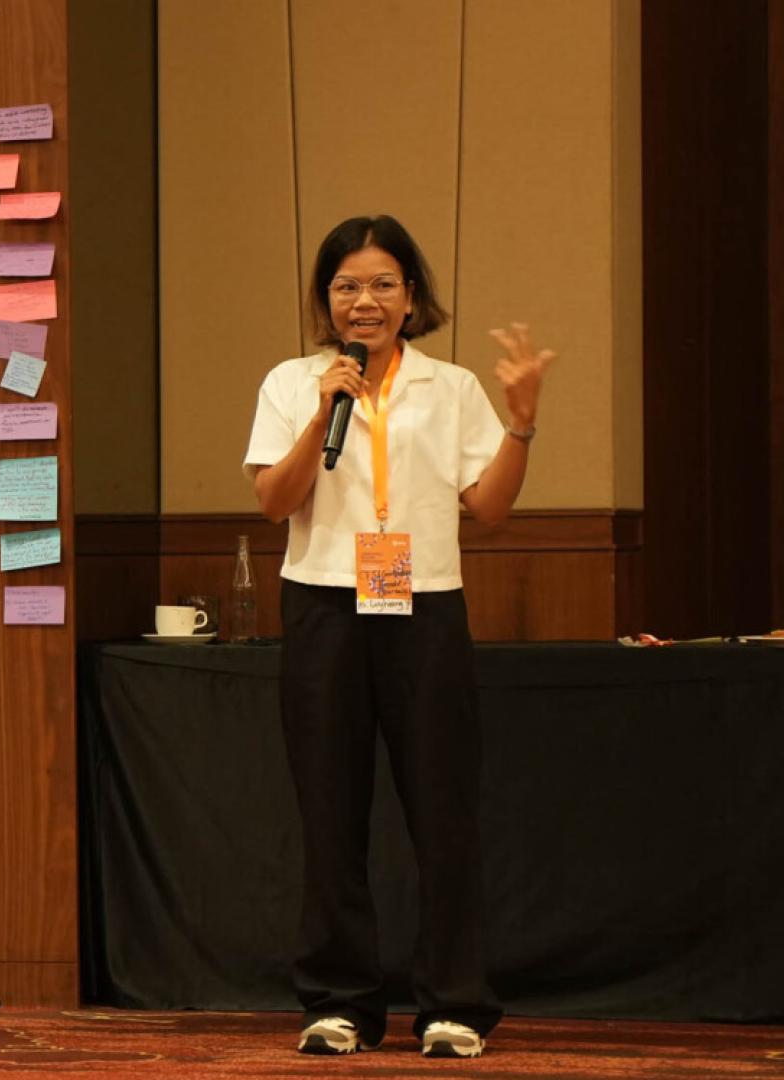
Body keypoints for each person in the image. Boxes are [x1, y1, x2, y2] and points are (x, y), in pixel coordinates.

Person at [242, 214, 553, 1059]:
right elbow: (277, 501)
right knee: (330, 813)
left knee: (442, 809)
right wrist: (322, 412)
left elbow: (487, 508)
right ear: (326, 300)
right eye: (346, 286)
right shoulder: (293, 381)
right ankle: (338, 1001)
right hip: (323, 607)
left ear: (412, 297)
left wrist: (521, 424)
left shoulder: (449, 389)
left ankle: (453, 1003)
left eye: (382, 284)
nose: (364, 301)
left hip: (424, 607)